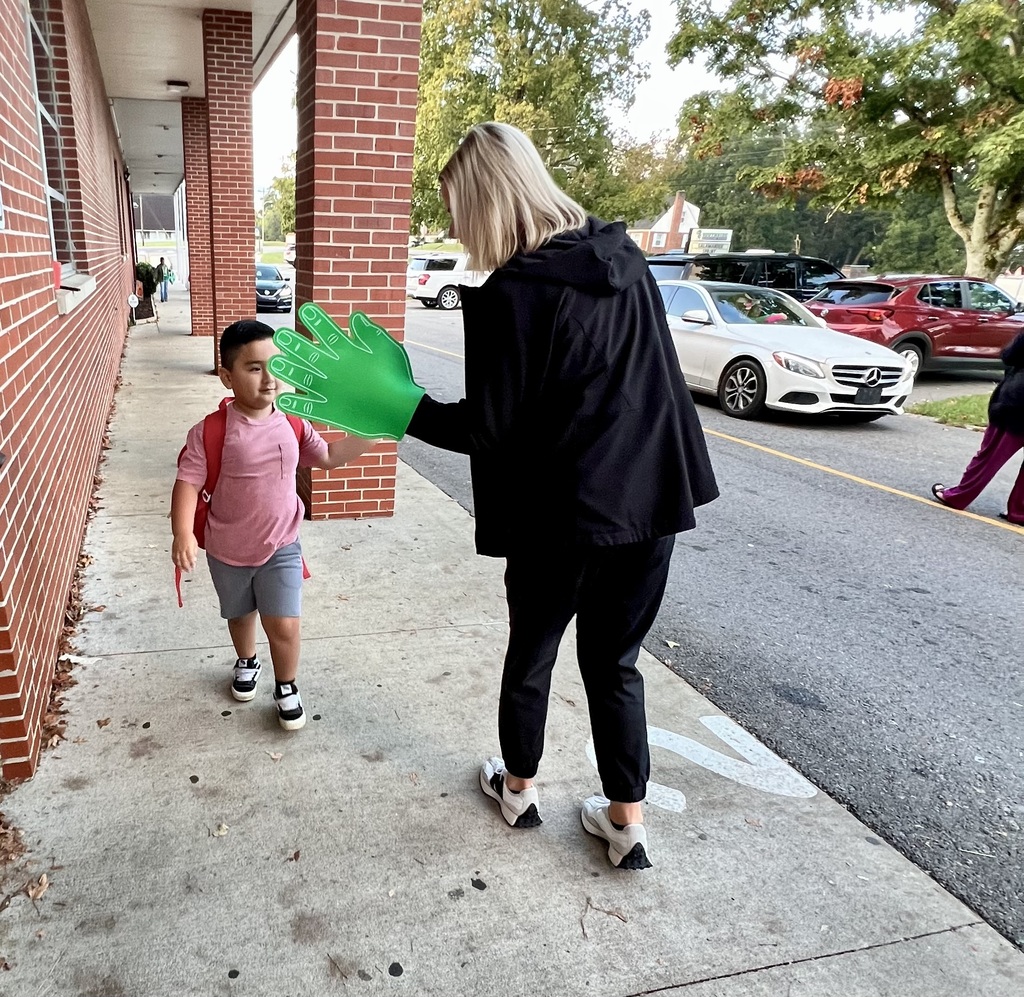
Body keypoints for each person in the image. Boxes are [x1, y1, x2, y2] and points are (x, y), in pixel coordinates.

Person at [404, 123, 719, 869]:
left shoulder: (516, 293)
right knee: (616, 663)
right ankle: (626, 822)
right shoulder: (626, 260)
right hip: (650, 504)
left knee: (535, 653)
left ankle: (518, 790)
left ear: (488, 202)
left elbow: (488, 429)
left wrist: (400, 408)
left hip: (562, 518)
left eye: (457, 208)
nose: (454, 227)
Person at [171, 320, 370, 729]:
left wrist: (373, 432)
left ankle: (286, 683)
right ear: (227, 376)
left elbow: (329, 457)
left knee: (284, 622)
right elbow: (187, 482)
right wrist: (183, 533)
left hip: (281, 545)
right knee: (240, 615)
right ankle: (246, 659)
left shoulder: (294, 424)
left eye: (276, 366)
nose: (269, 378)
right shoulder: (211, 431)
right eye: (254, 368)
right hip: (227, 549)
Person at [932, 330, 1024, 524]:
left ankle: (958, 495)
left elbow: (1010, 355)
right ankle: (1019, 511)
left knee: (989, 455)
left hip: (1017, 404)